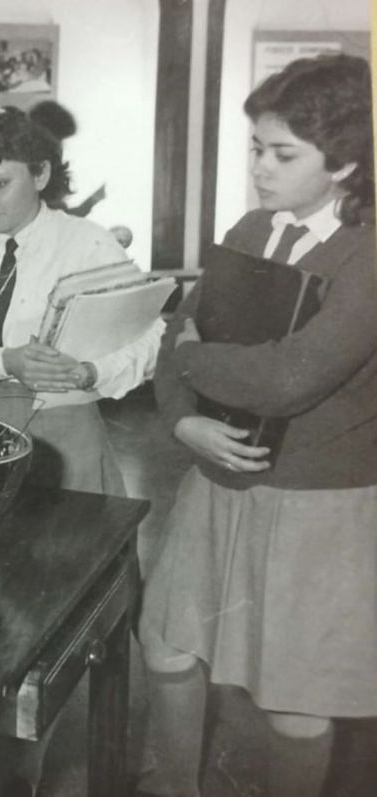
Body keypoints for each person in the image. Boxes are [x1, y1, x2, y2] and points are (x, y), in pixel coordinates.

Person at [135, 54, 376, 797]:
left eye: (283, 154)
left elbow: (289, 378)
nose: (260, 169)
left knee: (293, 701)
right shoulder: (250, 229)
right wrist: (183, 425)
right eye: (255, 148)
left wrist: (196, 356)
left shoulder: (367, 253)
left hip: (316, 503)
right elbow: (171, 340)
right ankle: (176, 787)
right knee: (166, 647)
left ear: (345, 164)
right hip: (216, 476)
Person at [0, 106, 161, 495]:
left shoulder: (89, 242)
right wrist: (5, 361)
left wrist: (92, 372)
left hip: (66, 430)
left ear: (41, 174)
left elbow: (150, 338)